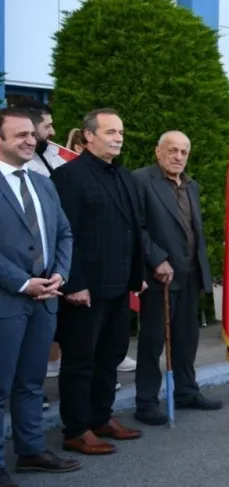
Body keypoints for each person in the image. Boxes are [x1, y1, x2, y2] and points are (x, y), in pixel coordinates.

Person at [52, 108, 147, 455]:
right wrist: (73, 282)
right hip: (85, 290)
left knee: (111, 355)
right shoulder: (69, 176)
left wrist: (138, 276)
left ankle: (101, 417)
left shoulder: (123, 176)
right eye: (110, 132)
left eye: (120, 131)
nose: (118, 137)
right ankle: (76, 429)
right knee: (80, 360)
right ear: (89, 136)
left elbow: (133, 229)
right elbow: (65, 234)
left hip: (120, 285)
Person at [0, 108, 80, 487]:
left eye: (32, 134)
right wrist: (23, 282)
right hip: (7, 301)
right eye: (20, 136)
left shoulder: (43, 183)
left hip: (46, 298)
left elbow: (64, 233)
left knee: (31, 382)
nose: (31, 141)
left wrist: (59, 275)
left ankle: (31, 451)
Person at [132, 131, 220, 425]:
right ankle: (145, 402)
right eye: (172, 150)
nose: (178, 157)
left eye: (184, 151)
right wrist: (157, 259)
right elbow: (136, 227)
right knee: (154, 339)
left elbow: (192, 231)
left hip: (190, 274)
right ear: (158, 152)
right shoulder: (142, 181)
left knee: (187, 338)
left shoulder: (190, 185)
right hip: (159, 275)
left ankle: (186, 391)